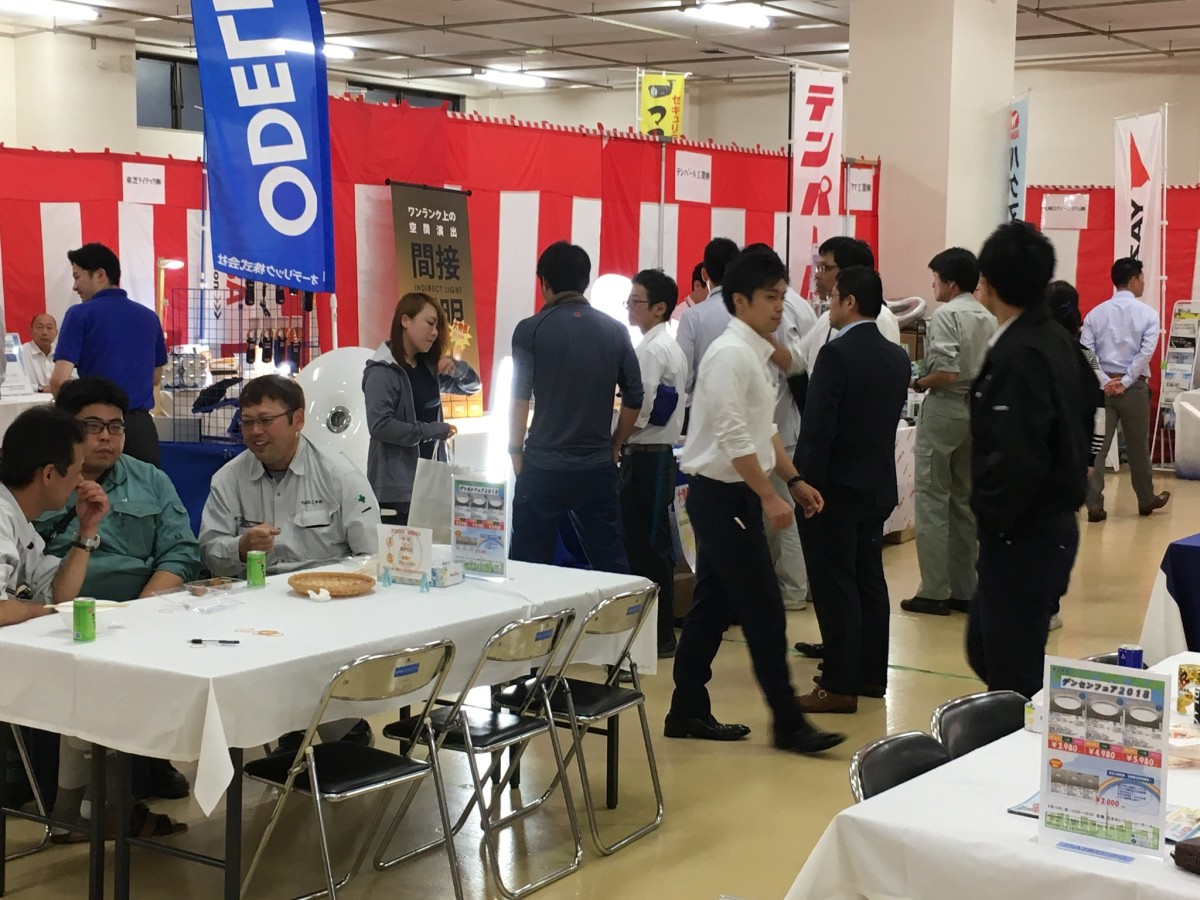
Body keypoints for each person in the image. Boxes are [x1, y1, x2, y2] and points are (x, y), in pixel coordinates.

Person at [665, 247, 844, 755]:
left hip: (735, 495)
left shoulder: (756, 352)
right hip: (722, 497)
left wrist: (794, 480)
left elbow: (763, 431)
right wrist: (769, 496)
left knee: (712, 605)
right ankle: (788, 723)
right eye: (769, 297)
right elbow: (732, 437)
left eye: (782, 296)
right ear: (740, 301)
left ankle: (686, 708)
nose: (779, 307)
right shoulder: (730, 354)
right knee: (764, 610)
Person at [967, 220, 1095, 698]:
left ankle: (1026, 738)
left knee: (1011, 673)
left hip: (1024, 534)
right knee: (987, 649)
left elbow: (1018, 455)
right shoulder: (1052, 339)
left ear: (988, 284)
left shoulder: (1023, 354)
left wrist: (992, 516)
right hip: (1042, 528)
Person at [794, 267, 910, 713]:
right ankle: (870, 675)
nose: (829, 305)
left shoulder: (836, 354)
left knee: (835, 584)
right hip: (875, 482)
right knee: (869, 580)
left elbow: (819, 427)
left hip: (834, 487)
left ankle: (839, 683)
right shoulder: (896, 356)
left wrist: (804, 482)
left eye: (834, 296)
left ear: (851, 301)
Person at [508, 241, 642, 572]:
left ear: (544, 282)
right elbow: (635, 396)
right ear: (585, 279)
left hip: (543, 466)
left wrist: (515, 449)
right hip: (597, 468)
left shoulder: (530, 329)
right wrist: (615, 443)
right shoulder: (615, 330)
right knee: (610, 564)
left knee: (528, 566)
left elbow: (520, 396)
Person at [199, 375, 381, 577]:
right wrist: (241, 548)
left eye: (265, 420)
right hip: (255, 591)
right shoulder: (228, 479)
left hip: (327, 589)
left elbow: (372, 556)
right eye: (247, 422)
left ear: (298, 419)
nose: (255, 431)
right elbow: (209, 552)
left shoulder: (340, 475)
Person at [37, 377, 201, 601]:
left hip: (138, 604)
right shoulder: (41, 480)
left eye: (115, 427)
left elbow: (181, 552)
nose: (105, 436)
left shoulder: (150, 479)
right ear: (65, 429)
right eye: (92, 426)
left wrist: (144, 607)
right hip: (57, 606)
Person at [901, 249, 996, 618]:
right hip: (975, 410)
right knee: (963, 501)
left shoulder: (945, 315)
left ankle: (934, 589)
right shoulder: (987, 317)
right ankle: (963, 587)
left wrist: (917, 382)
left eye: (935, 278)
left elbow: (946, 371)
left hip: (944, 408)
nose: (933, 285)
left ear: (950, 282)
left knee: (931, 499)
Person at [744, 243, 819, 612]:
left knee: (782, 517)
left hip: (781, 425)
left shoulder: (783, 311)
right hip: (784, 424)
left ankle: (792, 590)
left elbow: (793, 367)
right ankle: (796, 586)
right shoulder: (800, 305)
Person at [618, 269, 689, 657]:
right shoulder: (668, 346)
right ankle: (658, 634)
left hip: (645, 456)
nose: (630, 307)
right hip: (659, 455)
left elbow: (640, 409)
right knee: (654, 544)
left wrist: (615, 440)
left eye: (636, 301)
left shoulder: (650, 350)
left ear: (659, 308)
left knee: (644, 546)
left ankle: (656, 634)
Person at [363, 292, 481, 525]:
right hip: (396, 490)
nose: (435, 332)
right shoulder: (382, 370)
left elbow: (472, 387)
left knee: (436, 544)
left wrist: (458, 368)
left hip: (432, 479)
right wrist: (432, 431)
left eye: (437, 326)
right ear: (405, 320)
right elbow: (380, 426)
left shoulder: (427, 367)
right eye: (430, 323)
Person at [51, 244, 167, 467]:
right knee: (144, 487)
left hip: (96, 430)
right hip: (141, 431)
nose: (75, 286)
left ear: (100, 275)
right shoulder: (149, 317)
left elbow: (59, 380)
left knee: (91, 489)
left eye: (77, 276)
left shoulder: (80, 314)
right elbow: (155, 377)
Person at [1081, 257, 1169, 521]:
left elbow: (1086, 350)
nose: (1143, 283)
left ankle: (1094, 505)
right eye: (1141, 278)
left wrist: (1103, 379)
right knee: (1138, 447)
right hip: (1134, 389)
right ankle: (1145, 499)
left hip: (1101, 390)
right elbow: (1145, 353)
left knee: (1097, 447)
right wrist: (1127, 380)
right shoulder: (1149, 315)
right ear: (1132, 280)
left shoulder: (1095, 314)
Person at [0, 405, 108, 606]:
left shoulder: (19, 519)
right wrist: (44, 612)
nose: (80, 481)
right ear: (49, 474)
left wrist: (87, 531)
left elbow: (57, 595)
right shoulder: (2, 517)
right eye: (78, 471)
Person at [795, 237, 901, 378]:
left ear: (850, 272)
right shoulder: (827, 318)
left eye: (825, 268)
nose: (817, 275)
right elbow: (795, 359)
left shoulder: (880, 318)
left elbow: (883, 376)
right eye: (818, 268)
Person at [676, 238, 739, 405]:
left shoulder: (691, 317)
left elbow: (684, 378)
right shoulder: (751, 313)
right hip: (744, 409)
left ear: (704, 274)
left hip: (702, 407)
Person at [21, 314, 59, 392]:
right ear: (31, 331)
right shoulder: (21, 353)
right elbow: (14, 385)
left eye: (49, 328)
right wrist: (40, 389)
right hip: (31, 399)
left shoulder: (62, 353)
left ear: (56, 332)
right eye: (39, 327)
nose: (45, 332)